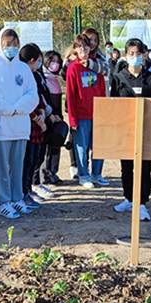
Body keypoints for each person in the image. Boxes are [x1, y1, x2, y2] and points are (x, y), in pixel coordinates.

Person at [0, 28, 39, 219]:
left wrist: (19, 107)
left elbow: (32, 94)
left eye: (14, 44)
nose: (11, 48)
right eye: (7, 44)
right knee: (1, 166)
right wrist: (7, 108)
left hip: (20, 125)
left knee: (17, 164)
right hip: (1, 126)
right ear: (0, 44)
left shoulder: (23, 69)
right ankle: (3, 201)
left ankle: (16, 198)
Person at [110, 38, 151, 221]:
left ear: (144, 55)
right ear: (125, 55)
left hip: (145, 130)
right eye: (131, 54)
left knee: (143, 168)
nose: (135, 57)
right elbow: (113, 105)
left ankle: (141, 203)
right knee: (126, 167)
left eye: (138, 54)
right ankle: (128, 198)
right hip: (125, 130)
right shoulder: (118, 78)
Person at [65, 34, 108, 189]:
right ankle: (83, 175)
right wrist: (72, 119)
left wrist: (104, 112)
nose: (83, 49)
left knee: (99, 147)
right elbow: (70, 95)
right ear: (75, 49)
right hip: (81, 115)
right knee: (81, 148)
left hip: (98, 113)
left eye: (86, 46)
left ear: (91, 47)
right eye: (79, 47)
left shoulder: (96, 65)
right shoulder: (73, 68)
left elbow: (102, 89)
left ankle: (97, 174)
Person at [19, 43, 47, 211]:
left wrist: (43, 112)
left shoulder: (36, 75)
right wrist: (37, 118)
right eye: (37, 60)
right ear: (31, 60)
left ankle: (28, 190)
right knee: (26, 160)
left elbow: (40, 97)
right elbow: (25, 102)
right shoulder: (21, 77)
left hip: (38, 123)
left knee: (34, 159)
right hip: (28, 124)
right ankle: (23, 191)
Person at [40, 50, 64, 186]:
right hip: (48, 117)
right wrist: (50, 115)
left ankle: (53, 171)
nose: (55, 64)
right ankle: (44, 174)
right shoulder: (43, 78)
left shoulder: (56, 79)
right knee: (46, 147)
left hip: (57, 117)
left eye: (57, 61)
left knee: (56, 144)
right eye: (52, 61)